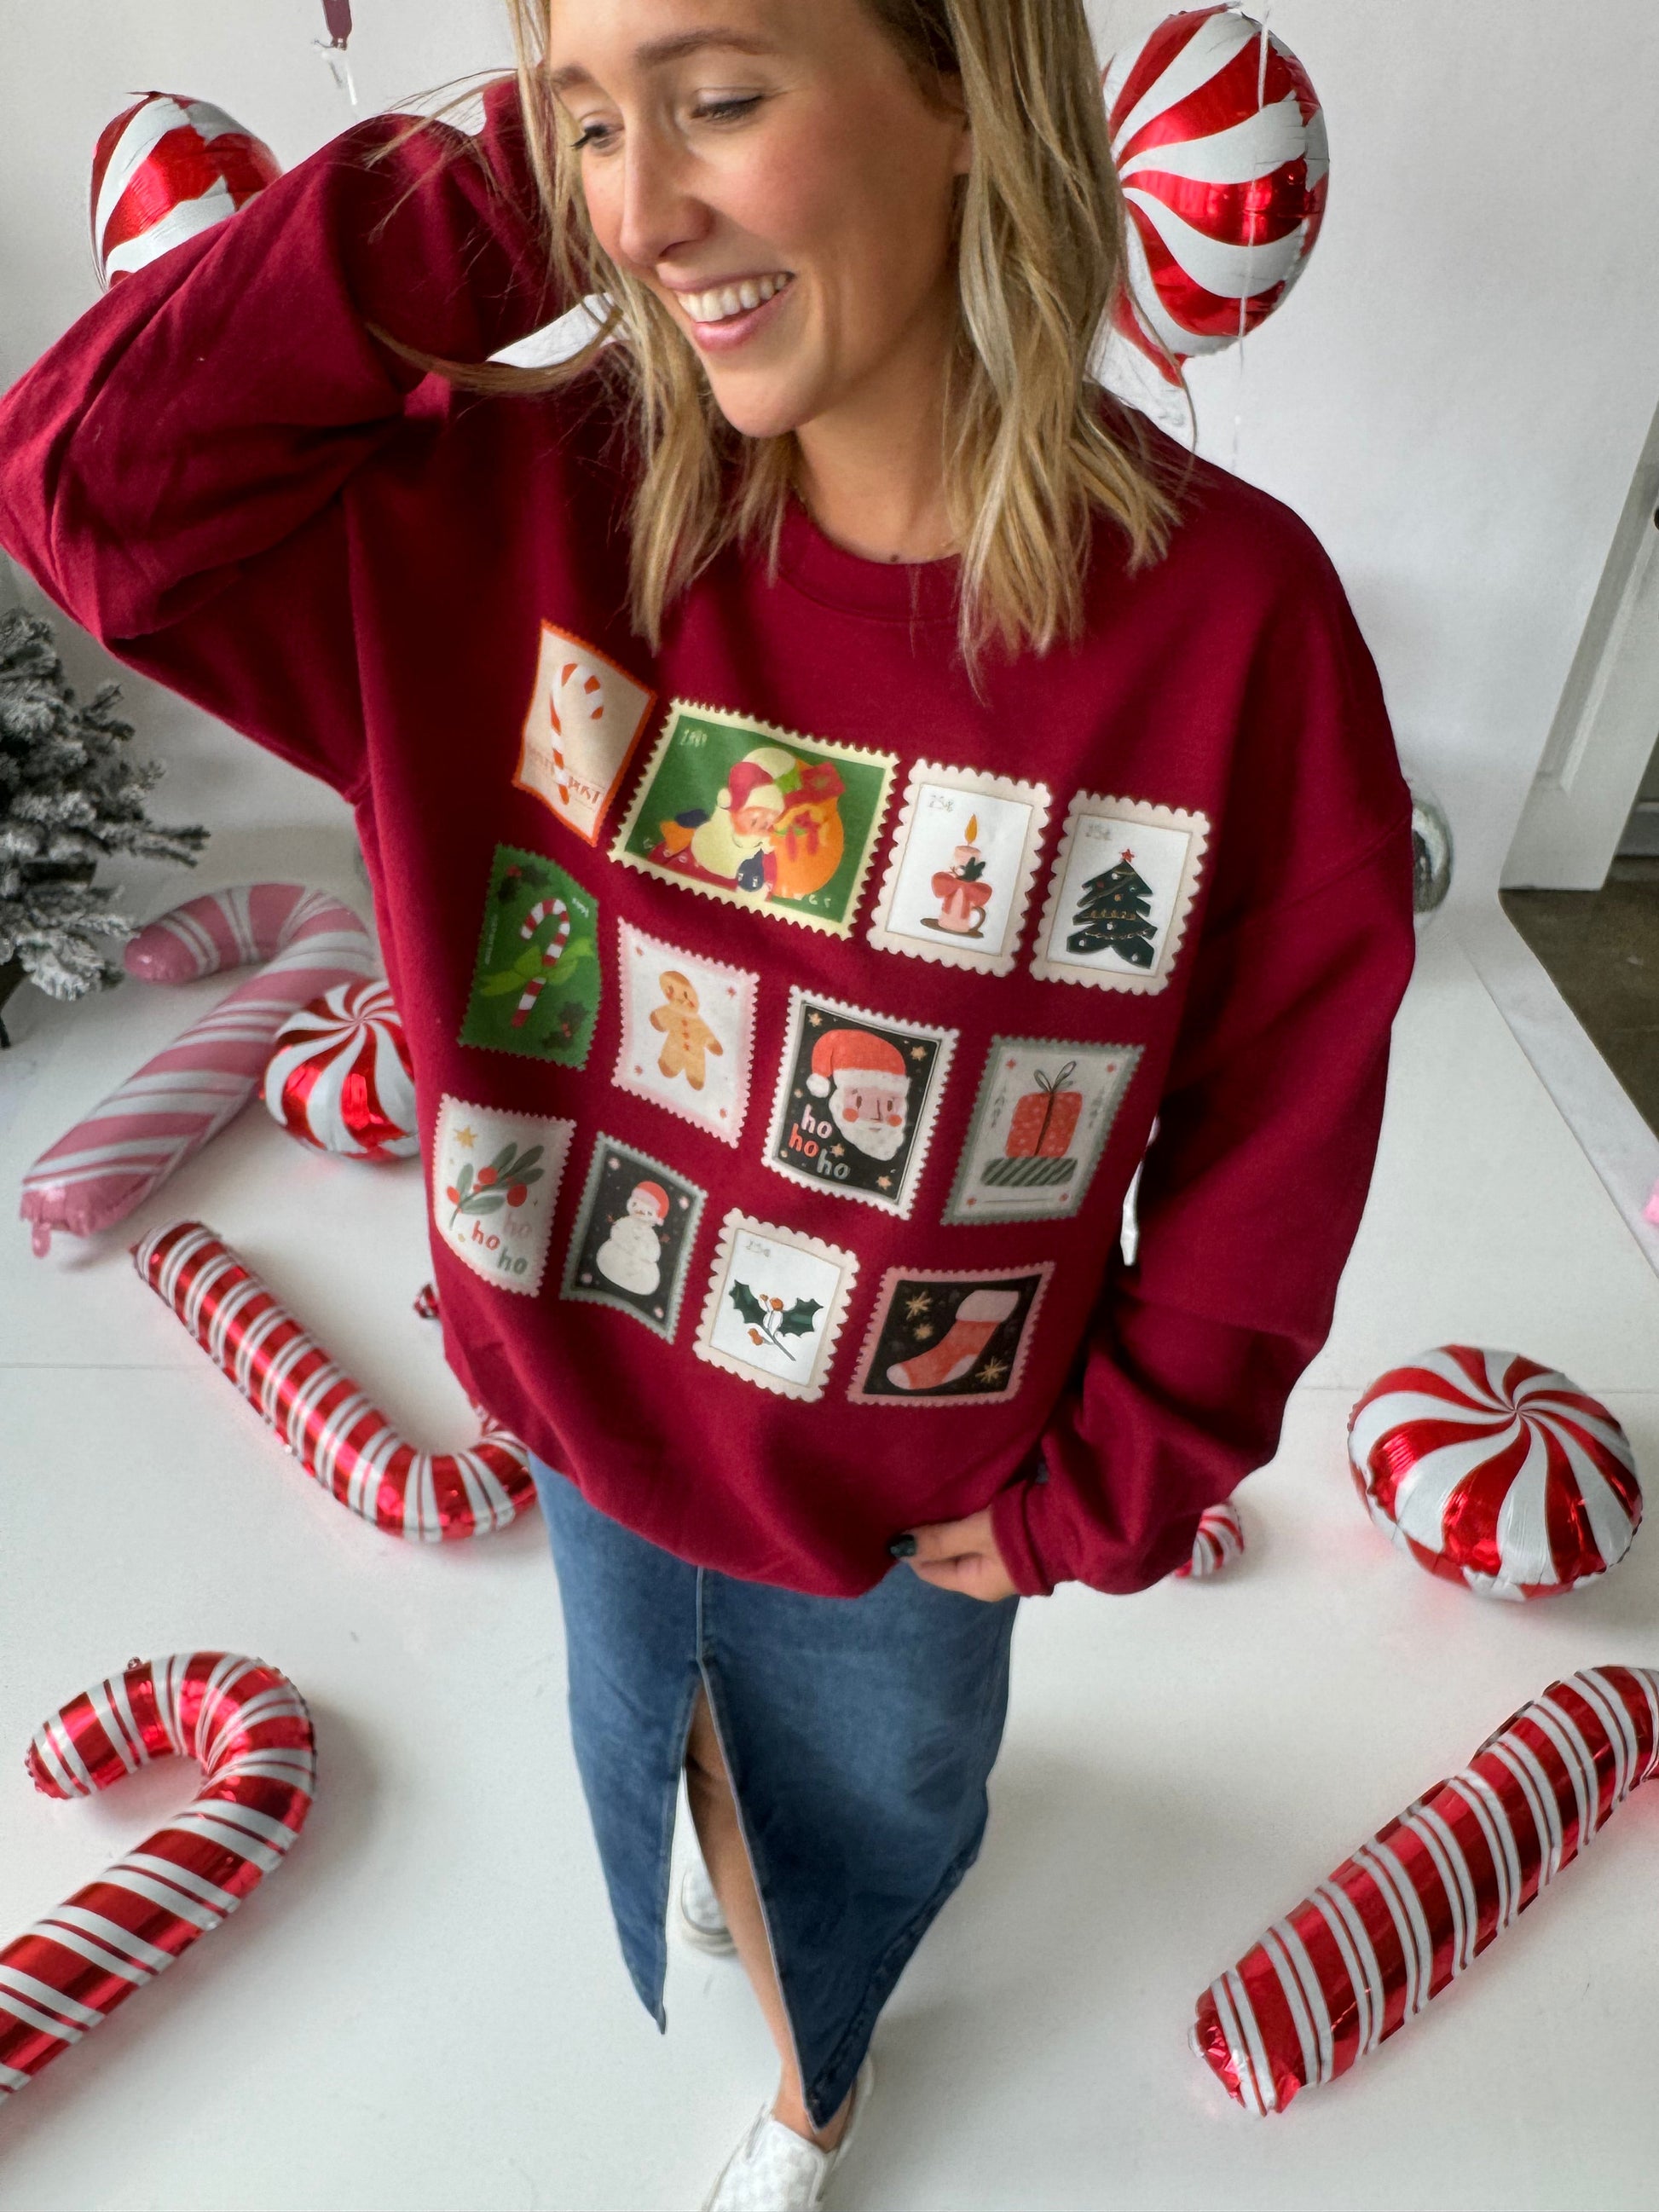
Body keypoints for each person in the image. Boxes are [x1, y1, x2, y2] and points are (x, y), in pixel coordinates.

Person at [0, 2, 1417, 2203]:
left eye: (721, 94)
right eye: (583, 120)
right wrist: (507, 188)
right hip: (586, 1433)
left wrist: (1116, 1480)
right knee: (644, 1743)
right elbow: (85, 497)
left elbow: (1282, 1114)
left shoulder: (1230, 624)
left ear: (963, 90)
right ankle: (728, 1866)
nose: (642, 206)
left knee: (858, 1842)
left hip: (911, 1509)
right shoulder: (508, 510)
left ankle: (814, 2077)